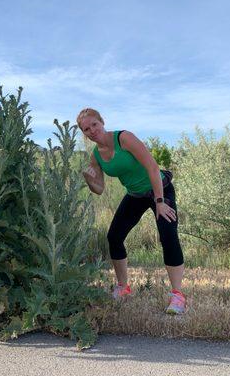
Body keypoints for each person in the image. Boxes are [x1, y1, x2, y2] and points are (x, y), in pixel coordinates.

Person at [77, 107, 186, 314]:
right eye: (86, 129)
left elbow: (153, 167)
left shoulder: (124, 138)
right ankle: (123, 287)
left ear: (102, 122)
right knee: (114, 237)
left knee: (168, 234)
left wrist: (160, 201)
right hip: (135, 195)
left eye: (94, 124)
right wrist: (89, 178)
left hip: (159, 189)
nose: (92, 130)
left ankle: (178, 296)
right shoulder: (96, 156)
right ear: (84, 134)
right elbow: (99, 190)